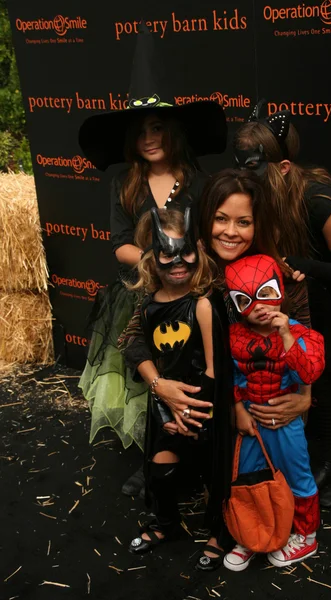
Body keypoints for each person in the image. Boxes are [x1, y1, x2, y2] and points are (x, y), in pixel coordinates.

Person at [77, 23, 227, 496]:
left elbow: (214, 239)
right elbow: (119, 241)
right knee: (148, 379)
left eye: (157, 127)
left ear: (174, 130)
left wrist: (192, 271)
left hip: (196, 295)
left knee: (194, 374)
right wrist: (153, 263)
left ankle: (198, 454)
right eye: (140, 130)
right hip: (143, 294)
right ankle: (153, 460)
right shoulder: (123, 182)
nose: (148, 137)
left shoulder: (199, 180)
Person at [119, 170, 313, 500]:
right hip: (195, 397)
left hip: (257, 401)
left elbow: (303, 338)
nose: (231, 232)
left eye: (244, 222)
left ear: (257, 225)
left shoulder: (282, 277)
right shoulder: (183, 267)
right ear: (205, 220)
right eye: (221, 219)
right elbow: (131, 338)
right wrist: (160, 386)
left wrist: (306, 396)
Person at [233, 103, 331, 507]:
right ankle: (328, 461)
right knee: (327, 363)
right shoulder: (266, 193)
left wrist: (302, 265)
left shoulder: (320, 198)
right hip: (321, 267)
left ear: (282, 167)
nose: (247, 177)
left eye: (256, 167)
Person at [126, 207, 233, 572]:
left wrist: (193, 412)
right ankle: (166, 524)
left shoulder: (203, 303)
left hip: (204, 407)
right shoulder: (148, 307)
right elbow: (134, 345)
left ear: (198, 250)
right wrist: (166, 404)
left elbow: (216, 369)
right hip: (165, 406)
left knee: (214, 473)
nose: (176, 262)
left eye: (184, 252)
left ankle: (220, 531)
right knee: (159, 468)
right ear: (150, 258)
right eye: (165, 254)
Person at [222, 254, 325, 570]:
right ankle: (256, 532)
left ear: (279, 288)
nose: (259, 307)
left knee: (297, 476)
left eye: (265, 293)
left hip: (285, 419)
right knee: (250, 477)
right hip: (252, 418)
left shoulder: (303, 335)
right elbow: (232, 376)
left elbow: (309, 373)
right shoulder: (235, 336)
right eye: (246, 300)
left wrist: (286, 335)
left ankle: (305, 536)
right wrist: (238, 408)